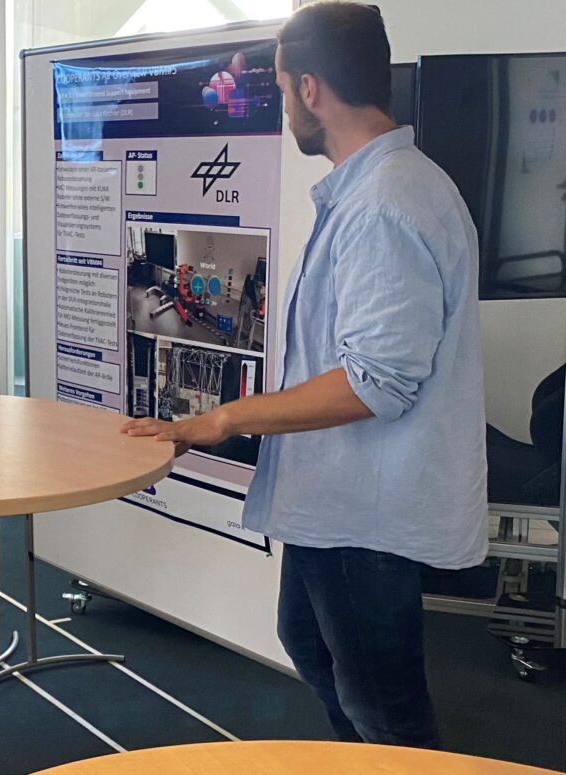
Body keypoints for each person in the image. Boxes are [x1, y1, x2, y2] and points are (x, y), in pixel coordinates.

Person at [122, 2, 487, 749]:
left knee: (385, 706)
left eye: (285, 89)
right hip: (338, 499)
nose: (286, 106)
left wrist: (219, 419)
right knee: (312, 644)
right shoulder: (374, 189)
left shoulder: (386, 205)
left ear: (312, 90)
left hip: (366, 512)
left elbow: (375, 380)